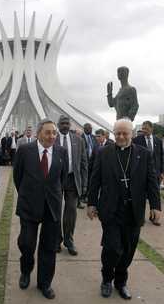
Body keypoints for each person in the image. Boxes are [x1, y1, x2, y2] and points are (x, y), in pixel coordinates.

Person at [87, 119, 161, 300]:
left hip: (133, 211)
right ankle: (106, 279)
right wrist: (91, 203)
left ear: (132, 134)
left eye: (124, 133)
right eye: (117, 133)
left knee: (128, 249)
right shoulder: (104, 153)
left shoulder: (144, 154)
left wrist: (155, 206)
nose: (120, 136)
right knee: (112, 248)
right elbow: (94, 179)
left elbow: (152, 182)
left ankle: (121, 282)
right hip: (111, 210)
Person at [13, 119, 68, 300]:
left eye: (54, 133)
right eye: (48, 132)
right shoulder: (24, 151)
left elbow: (62, 179)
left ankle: (45, 283)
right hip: (29, 205)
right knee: (27, 243)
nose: (52, 136)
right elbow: (18, 177)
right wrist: (28, 194)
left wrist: (54, 196)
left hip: (52, 207)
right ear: (38, 133)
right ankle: (26, 270)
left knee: (49, 247)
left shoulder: (61, 152)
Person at [55, 115, 88, 255]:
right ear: (58, 125)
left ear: (70, 125)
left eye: (67, 123)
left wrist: (85, 184)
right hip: (55, 181)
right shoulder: (52, 138)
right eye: (62, 123)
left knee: (71, 211)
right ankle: (56, 240)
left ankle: (69, 240)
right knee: (55, 211)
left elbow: (83, 163)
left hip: (72, 180)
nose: (65, 126)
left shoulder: (78, 140)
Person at [133, 120, 163, 225]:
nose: (144, 130)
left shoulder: (158, 141)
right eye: (143, 128)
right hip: (142, 174)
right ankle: (140, 217)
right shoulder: (137, 140)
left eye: (146, 128)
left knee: (155, 195)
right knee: (141, 196)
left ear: (151, 129)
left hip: (156, 174)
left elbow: (161, 157)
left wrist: (162, 172)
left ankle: (154, 217)